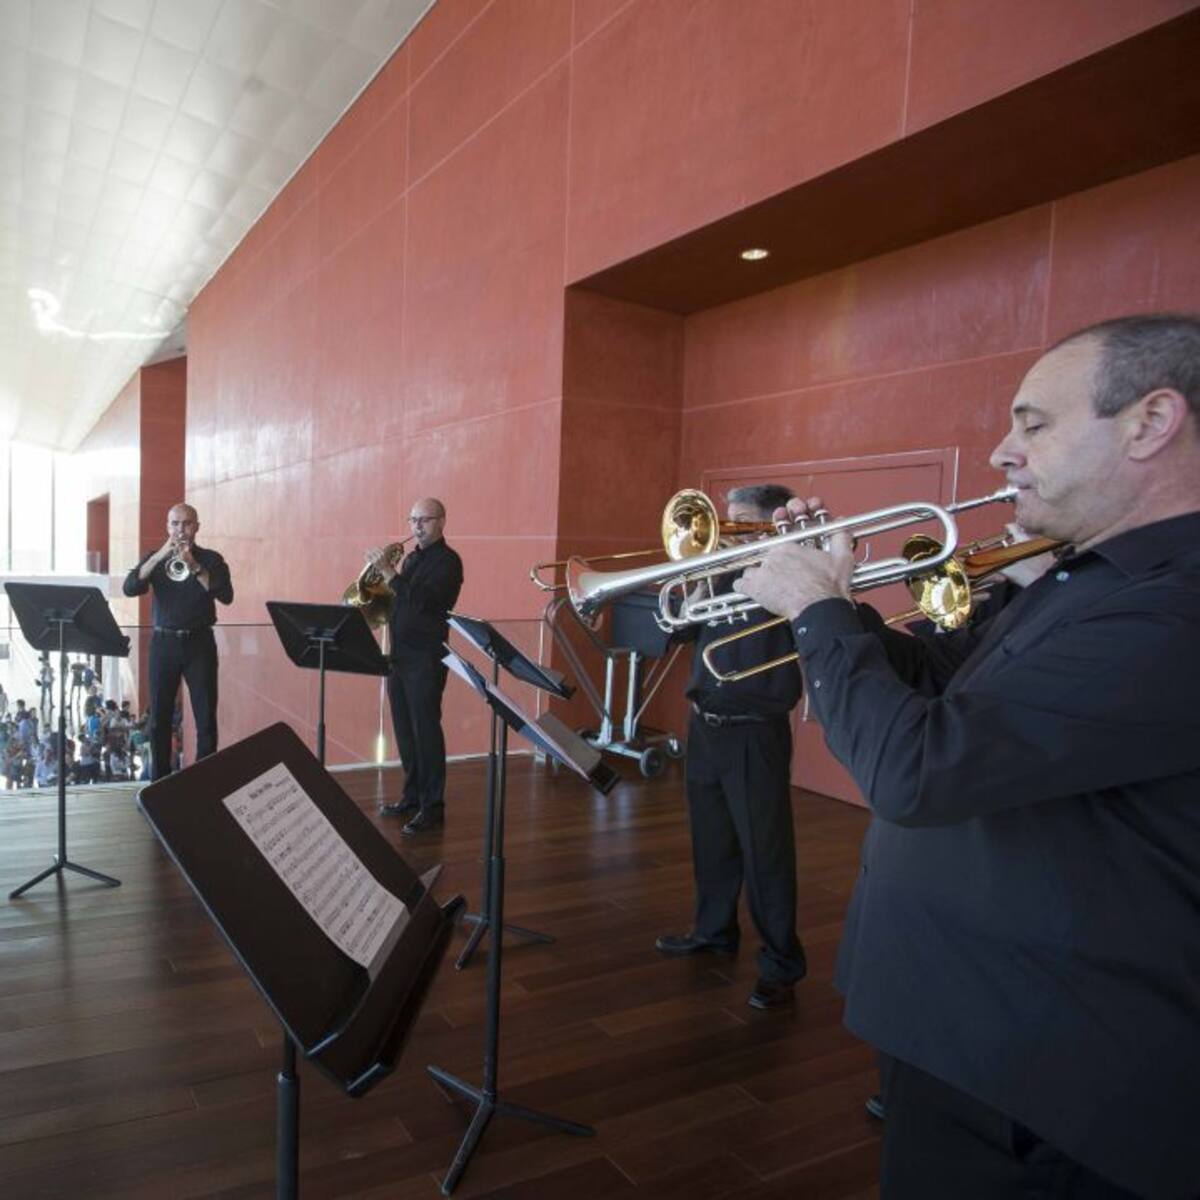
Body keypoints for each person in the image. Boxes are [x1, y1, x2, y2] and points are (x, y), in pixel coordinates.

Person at [737, 314, 1200, 1199]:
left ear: (1152, 421)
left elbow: (916, 772)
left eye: (1033, 423)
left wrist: (815, 613)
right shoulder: (1085, 577)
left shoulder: (1173, 605)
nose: (1000, 452)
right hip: (965, 1025)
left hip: (1048, 1075)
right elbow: (939, 680)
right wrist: (831, 595)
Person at [655, 484, 808, 1011]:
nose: (728, 531)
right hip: (705, 725)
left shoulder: (791, 576)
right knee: (712, 839)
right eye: (728, 521)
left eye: (742, 522)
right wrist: (697, 585)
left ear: (771, 524)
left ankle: (782, 964)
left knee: (765, 851)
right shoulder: (718, 570)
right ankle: (715, 930)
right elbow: (675, 633)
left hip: (753, 730)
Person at [365, 497, 463, 835]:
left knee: (426, 732)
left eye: (424, 519)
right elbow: (399, 602)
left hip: (426, 658)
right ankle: (411, 797)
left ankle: (432, 806)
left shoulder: (448, 562)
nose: (417, 526)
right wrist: (375, 608)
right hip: (400, 657)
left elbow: (427, 603)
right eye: (412, 520)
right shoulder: (410, 560)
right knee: (405, 733)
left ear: (442, 521)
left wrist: (390, 573)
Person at [123, 502, 233, 780]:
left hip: (200, 644)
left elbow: (225, 596)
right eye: (174, 524)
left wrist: (194, 565)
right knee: (159, 718)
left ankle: (204, 783)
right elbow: (130, 587)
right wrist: (161, 554)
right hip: (164, 644)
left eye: (186, 524)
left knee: (205, 717)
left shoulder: (211, 559)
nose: (180, 530)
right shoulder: (155, 560)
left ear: (197, 526)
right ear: (167, 526)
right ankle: (159, 782)